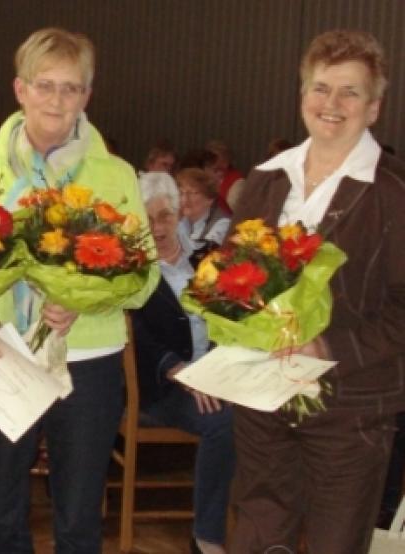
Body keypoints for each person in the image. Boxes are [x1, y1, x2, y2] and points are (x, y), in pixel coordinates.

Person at [0, 28, 159, 553]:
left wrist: (87, 299)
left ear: (87, 96)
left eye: (71, 88)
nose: (57, 99)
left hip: (89, 358)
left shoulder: (115, 176)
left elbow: (144, 277)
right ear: (20, 89)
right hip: (4, 351)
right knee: (1, 514)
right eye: (45, 85)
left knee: (77, 519)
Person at [227, 29, 405, 553]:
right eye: (322, 88)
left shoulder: (393, 194)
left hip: (350, 411)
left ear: (373, 108)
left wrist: (326, 346)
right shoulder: (264, 181)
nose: (333, 104)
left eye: (350, 92)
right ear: (303, 95)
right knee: (257, 541)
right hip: (261, 398)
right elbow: (231, 279)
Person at [133, 171, 234, 554]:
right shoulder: (130, 270)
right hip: (162, 385)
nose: (158, 227)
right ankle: (208, 536)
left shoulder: (204, 259)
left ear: (181, 215)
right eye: (148, 218)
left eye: (166, 216)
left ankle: (259, 519)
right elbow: (137, 335)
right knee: (222, 422)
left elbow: (231, 318)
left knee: (268, 411)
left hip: (216, 374)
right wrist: (180, 370)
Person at [176, 167, 230, 266]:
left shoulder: (222, 223)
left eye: (192, 193)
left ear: (209, 199)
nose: (185, 199)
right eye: (181, 193)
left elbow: (202, 256)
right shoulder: (181, 221)